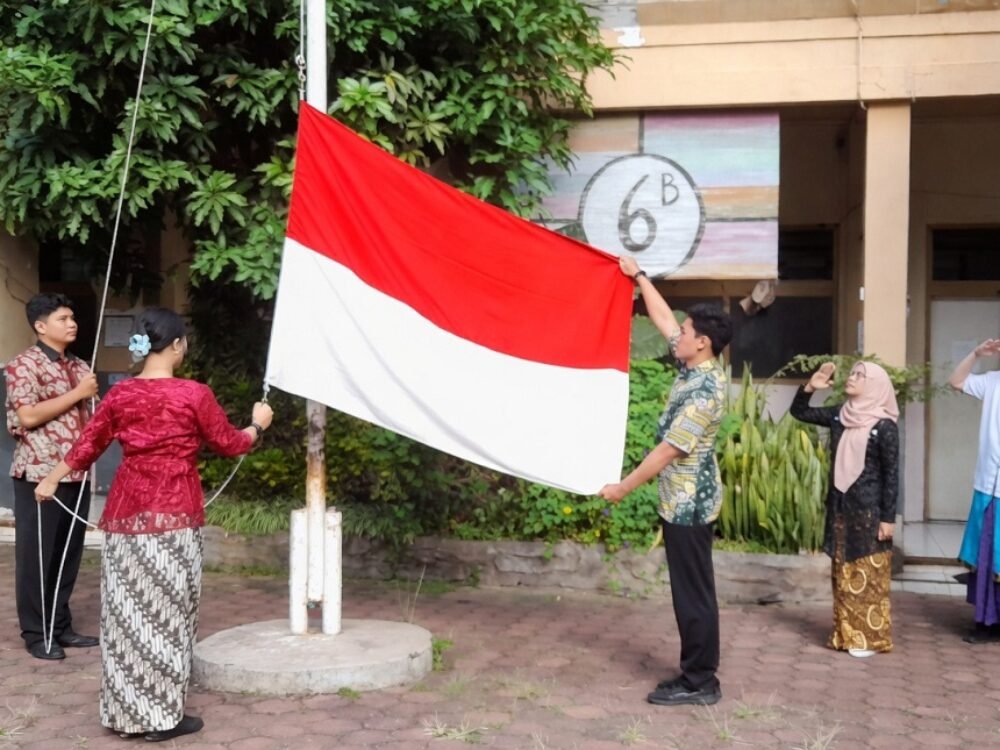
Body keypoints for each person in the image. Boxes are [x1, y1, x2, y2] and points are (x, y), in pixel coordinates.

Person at [35, 307, 273, 743]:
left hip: (125, 517)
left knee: (126, 616)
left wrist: (51, 478)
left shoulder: (121, 395)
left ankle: (125, 714)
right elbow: (230, 443)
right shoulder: (194, 394)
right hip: (174, 516)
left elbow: (88, 444)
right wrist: (257, 425)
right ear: (178, 345)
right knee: (168, 615)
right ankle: (162, 717)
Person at [599, 256, 732, 707]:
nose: (679, 333)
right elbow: (661, 318)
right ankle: (698, 672)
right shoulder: (695, 365)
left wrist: (621, 488)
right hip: (683, 499)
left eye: (687, 330)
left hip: (690, 503)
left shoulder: (705, 391)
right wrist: (637, 276)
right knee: (693, 589)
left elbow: (669, 450)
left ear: (704, 342)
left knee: (693, 593)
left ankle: (700, 681)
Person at [5, 293, 100, 660]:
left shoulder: (80, 366)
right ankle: (35, 633)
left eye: (73, 317)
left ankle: (60, 627)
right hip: (38, 473)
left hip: (77, 474)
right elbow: (27, 416)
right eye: (63, 318)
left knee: (67, 555)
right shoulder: (23, 365)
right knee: (37, 557)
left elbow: (93, 419)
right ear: (40, 326)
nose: (72, 323)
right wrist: (77, 393)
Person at [790, 360, 899, 657]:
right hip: (840, 506)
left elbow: (892, 474)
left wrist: (888, 518)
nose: (852, 378)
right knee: (842, 573)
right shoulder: (841, 415)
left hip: (869, 511)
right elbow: (800, 412)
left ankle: (870, 638)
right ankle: (846, 634)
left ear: (875, 385)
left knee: (868, 574)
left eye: (860, 375)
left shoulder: (884, 427)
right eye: (852, 373)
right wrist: (810, 387)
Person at [947, 338, 1000, 643]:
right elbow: (957, 381)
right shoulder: (993, 382)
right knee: (987, 556)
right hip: (989, 486)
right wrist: (977, 354)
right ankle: (986, 622)